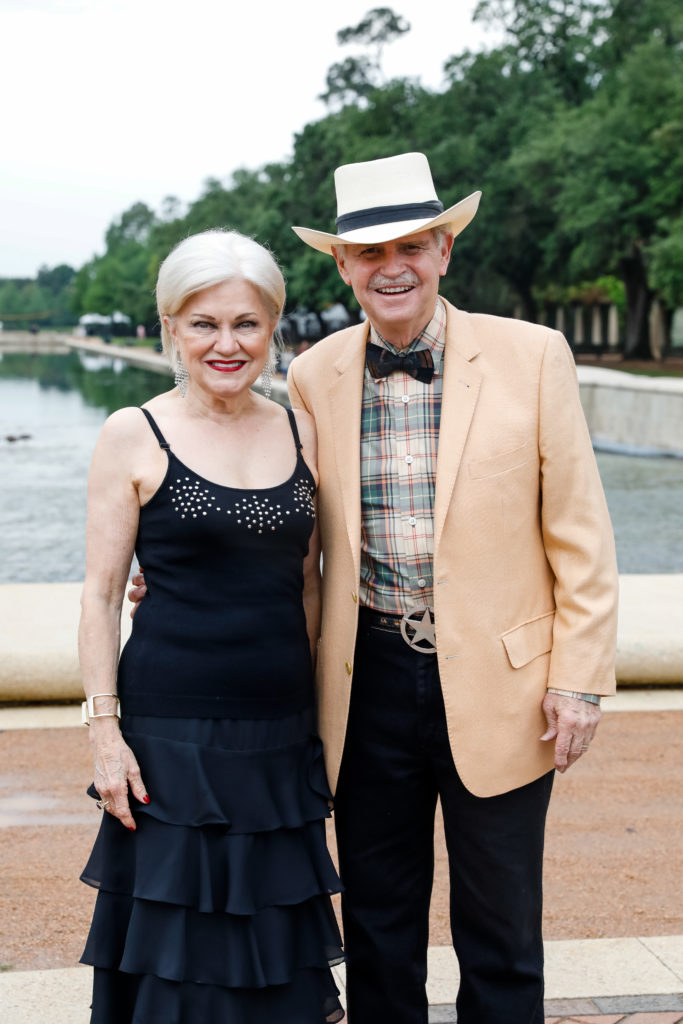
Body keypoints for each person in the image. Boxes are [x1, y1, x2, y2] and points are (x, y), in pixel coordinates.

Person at [285, 152, 619, 1023]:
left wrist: (577, 679)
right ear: (341, 266)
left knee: (501, 927)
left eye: (411, 244)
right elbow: (292, 532)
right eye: (368, 251)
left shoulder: (534, 354)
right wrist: (178, 571)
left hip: (506, 684)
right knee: (377, 923)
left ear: (443, 250)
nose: (390, 265)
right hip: (364, 685)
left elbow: (580, 535)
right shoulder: (311, 374)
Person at [78, 229, 344, 1023]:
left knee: (274, 957)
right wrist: (104, 734)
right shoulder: (133, 431)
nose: (226, 344)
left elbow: (306, 586)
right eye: (203, 324)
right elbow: (97, 596)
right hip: (170, 738)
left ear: (273, 328)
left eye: (246, 324)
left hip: (278, 734)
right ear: (170, 328)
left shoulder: (301, 428)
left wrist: (319, 729)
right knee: (179, 963)